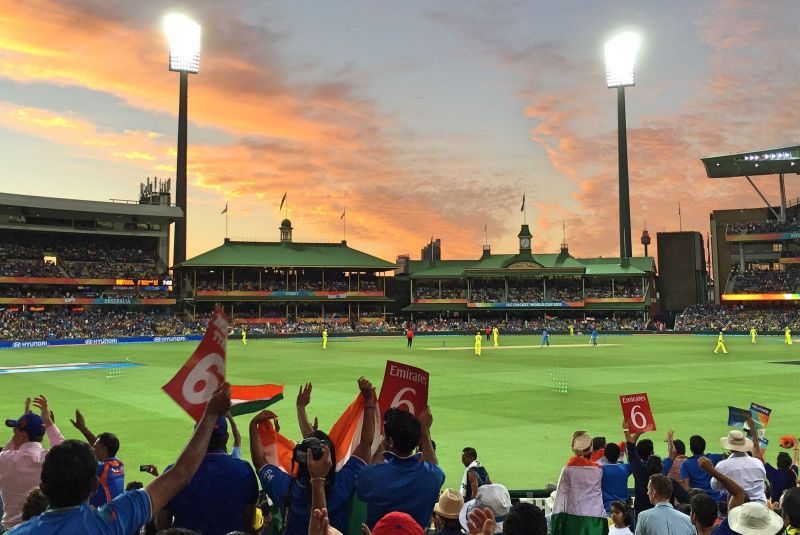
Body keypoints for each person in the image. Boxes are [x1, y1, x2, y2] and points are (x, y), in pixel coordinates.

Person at [9, 384, 232, 534]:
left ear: (43, 486)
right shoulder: (113, 519)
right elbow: (180, 474)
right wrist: (210, 414)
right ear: (94, 485)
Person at [255, 377, 376, 535]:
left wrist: (253, 426)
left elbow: (260, 462)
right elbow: (366, 444)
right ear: (330, 460)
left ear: (301, 460)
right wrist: (369, 403)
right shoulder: (343, 484)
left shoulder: (287, 488)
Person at [157, 413, 259, 534]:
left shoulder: (174, 473)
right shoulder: (245, 470)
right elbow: (247, 523)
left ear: (197, 437)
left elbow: (162, 524)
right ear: (225, 438)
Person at [356, 406, 444, 529]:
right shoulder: (432, 475)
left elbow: (362, 490)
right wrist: (424, 431)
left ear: (390, 441)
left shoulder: (371, 475)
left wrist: (381, 447)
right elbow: (434, 467)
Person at [0, 396, 64, 531]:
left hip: (12, 530)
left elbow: (6, 452)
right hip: (45, 529)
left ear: (23, 436)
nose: (13, 435)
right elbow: (66, 450)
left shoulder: (6, 459)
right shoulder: (50, 459)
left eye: (14, 431)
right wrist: (48, 421)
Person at [549, 431, 606, 534]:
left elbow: (562, 493)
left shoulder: (567, 469)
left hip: (572, 515)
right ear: (590, 448)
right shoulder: (599, 470)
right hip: (594, 516)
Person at [69, 409, 125, 507]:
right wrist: (83, 428)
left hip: (102, 517)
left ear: (103, 449)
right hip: (115, 513)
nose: (93, 448)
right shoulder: (118, 463)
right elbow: (99, 444)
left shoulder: (101, 468)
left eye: (95, 446)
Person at [712, 429, 767, 504]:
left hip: (737, 509)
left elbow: (715, 486)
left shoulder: (722, 466)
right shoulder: (758, 463)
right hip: (761, 506)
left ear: (729, 447)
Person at [680, 435, 723, 501]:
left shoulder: (686, 464)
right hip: (716, 499)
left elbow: (685, 488)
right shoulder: (715, 458)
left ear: (691, 449)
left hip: (698, 502)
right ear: (704, 447)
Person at [601, 442, 631, 513]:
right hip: (623, 510)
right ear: (618, 455)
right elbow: (632, 463)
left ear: (605, 455)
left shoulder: (601, 470)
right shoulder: (625, 468)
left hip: (607, 509)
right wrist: (626, 452)